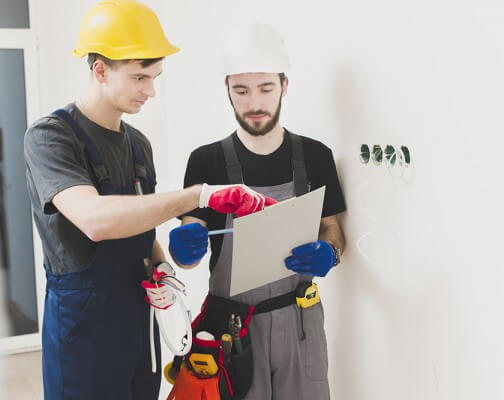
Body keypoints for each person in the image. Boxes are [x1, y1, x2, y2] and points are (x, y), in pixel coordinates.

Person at [23, 2, 273, 399]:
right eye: (140, 77)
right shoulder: (51, 138)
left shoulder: (138, 144)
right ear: (100, 69)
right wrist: (200, 195)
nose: (151, 90)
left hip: (140, 324)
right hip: (83, 329)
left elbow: (139, 225)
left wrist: (164, 268)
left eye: (155, 77)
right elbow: (95, 219)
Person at [168, 23, 346, 399]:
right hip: (233, 329)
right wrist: (183, 249)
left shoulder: (315, 157)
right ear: (227, 91)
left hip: (300, 321)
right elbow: (187, 245)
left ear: (284, 85)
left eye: (265, 88)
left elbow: (333, 229)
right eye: (242, 90)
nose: (254, 104)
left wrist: (330, 252)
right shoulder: (206, 161)